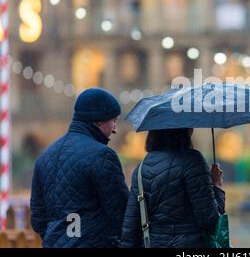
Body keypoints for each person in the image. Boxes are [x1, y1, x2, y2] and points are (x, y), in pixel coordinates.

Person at [30, 88, 129, 247]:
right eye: (114, 120)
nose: (115, 129)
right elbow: (121, 212)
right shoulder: (102, 155)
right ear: (98, 120)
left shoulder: (44, 157)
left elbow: (38, 218)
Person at [120, 128, 225, 248]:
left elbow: (130, 228)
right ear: (180, 131)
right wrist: (217, 188)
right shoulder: (193, 161)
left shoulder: (141, 168)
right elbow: (211, 222)